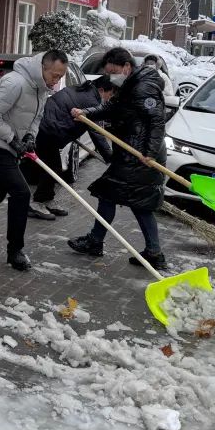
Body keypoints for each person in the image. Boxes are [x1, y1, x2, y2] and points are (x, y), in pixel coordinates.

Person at [0, 51, 69, 271]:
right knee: (21, 192)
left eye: (60, 77)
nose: (56, 81)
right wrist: (12, 139)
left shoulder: (41, 88)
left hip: (11, 146)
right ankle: (15, 251)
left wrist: (29, 137)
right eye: (54, 75)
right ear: (42, 68)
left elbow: (36, 117)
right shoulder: (15, 82)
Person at [68, 47, 168, 270]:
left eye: (114, 72)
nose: (112, 77)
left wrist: (150, 154)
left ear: (127, 66)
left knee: (132, 201)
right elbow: (112, 107)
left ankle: (149, 252)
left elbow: (156, 122)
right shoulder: (130, 84)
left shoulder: (144, 87)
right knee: (117, 196)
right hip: (131, 154)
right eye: (108, 72)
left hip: (140, 157)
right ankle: (149, 251)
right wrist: (88, 113)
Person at [27, 77, 115, 220]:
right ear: (101, 90)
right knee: (52, 168)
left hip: (48, 127)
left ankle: (47, 199)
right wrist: (110, 157)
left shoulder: (83, 90)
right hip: (47, 129)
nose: (108, 99)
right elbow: (96, 131)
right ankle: (36, 203)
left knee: (53, 167)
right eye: (109, 95)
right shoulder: (92, 101)